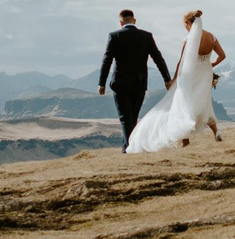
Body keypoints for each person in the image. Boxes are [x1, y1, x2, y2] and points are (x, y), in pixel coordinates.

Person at [124, 10, 226, 154]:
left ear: (189, 23)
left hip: (190, 75)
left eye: (185, 25)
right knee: (204, 102)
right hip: (205, 73)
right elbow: (222, 56)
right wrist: (210, 65)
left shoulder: (189, 38)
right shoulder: (212, 37)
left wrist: (174, 79)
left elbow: (182, 61)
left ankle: (185, 141)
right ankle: (216, 132)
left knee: (183, 103)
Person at [97, 8, 172, 147]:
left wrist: (101, 83)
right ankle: (129, 147)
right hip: (139, 82)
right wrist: (166, 78)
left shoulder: (114, 36)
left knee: (125, 117)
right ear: (134, 20)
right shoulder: (146, 36)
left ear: (121, 22)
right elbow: (158, 58)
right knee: (133, 116)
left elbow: (106, 60)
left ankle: (130, 148)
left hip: (120, 82)